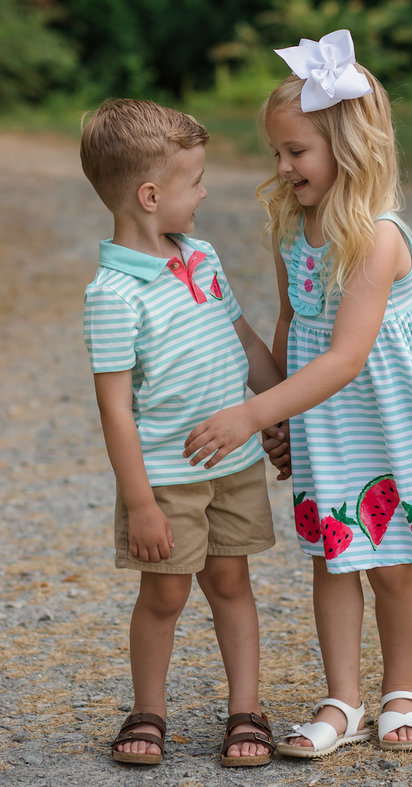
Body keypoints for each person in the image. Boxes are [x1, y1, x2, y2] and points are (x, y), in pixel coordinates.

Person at [182, 30, 412, 757]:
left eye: (296, 151)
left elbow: (346, 356)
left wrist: (250, 414)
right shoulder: (290, 227)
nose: (282, 166)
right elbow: (292, 325)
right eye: (276, 152)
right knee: (334, 556)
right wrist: (278, 416)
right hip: (324, 418)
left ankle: (401, 690)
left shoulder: (377, 236)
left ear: (350, 144)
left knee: (393, 559)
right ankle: (345, 698)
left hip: (386, 415)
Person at [81, 98, 286, 767]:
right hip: (167, 475)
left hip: (234, 464)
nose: (203, 192)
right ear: (150, 194)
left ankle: (245, 709)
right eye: (194, 181)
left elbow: (244, 339)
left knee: (232, 580)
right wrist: (139, 500)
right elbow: (115, 409)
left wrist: (277, 407)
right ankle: (149, 709)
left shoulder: (201, 255)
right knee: (165, 590)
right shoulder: (113, 293)